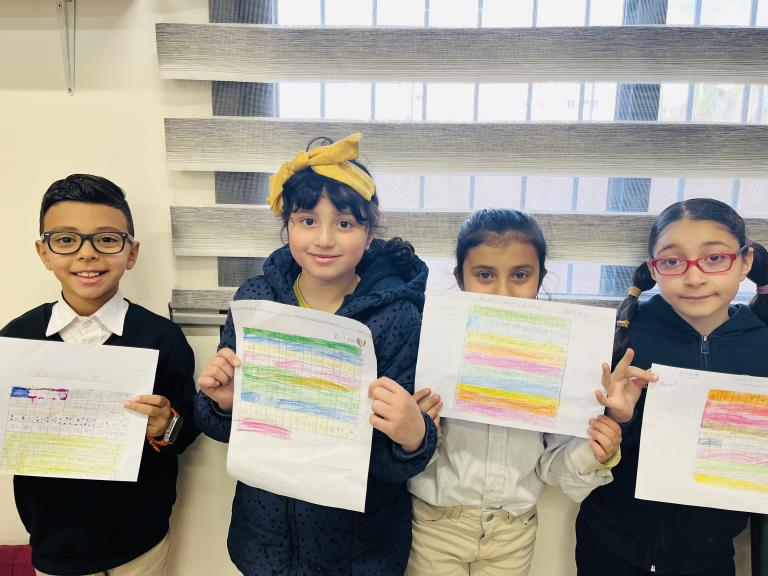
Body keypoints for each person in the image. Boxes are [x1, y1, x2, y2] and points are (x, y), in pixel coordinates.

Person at [195, 133, 438, 575]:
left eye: (344, 224)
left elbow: (397, 463)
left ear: (370, 232)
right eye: (307, 220)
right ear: (286, 224)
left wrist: (413, 438)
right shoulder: (256, 300)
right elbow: (222, 428)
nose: (324, 239)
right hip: (264, 541)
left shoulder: (398, 317)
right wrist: (224, 403)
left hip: (360, 550)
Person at [407, 208, 655, 576]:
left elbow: (555, 467)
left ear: (539, 278)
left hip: (514, 531)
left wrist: (596, 449)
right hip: (433, 524)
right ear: (460, 278)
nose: (504, 292)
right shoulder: (432, 345)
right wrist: (417, 433)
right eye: (485, 275)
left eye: (520, 275)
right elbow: (405, 458)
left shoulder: (563, 357)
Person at [1, 174, 199, 576]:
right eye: (66, 239)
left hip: (141, 543)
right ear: (44, 252)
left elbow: (187, 430)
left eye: (107, 239)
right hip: (53, 541)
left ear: (132, 252)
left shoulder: (162, 337)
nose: (87, 254)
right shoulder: (16, 339)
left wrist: (166, 424)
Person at [577, 198, 768, 576]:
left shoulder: (760, 345)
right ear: (654, 268)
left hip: (708, 555)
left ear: (745, 262)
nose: (694, 278)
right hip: (611, 543)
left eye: (715, 258)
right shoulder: (626, 337)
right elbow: (587, 455)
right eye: (672, 261)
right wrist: (619, 418)